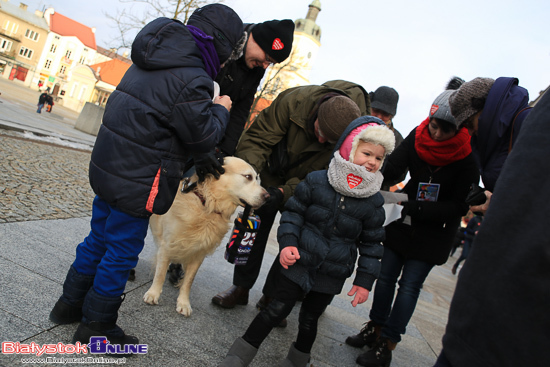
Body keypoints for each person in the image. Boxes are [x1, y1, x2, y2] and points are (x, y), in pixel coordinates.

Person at [48, 4, 244, 348]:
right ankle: (98, 324)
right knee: (121, 251)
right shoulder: (194, 78)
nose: (226, 62)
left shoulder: (151, 56)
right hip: (141, 177)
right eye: (227, 54)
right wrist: (220, 110)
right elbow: (202, 137)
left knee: (97, 238)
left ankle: (69, 305)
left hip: (110, 168)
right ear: (219, 46)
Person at [219, 116, 395, 367]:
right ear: (349, 148)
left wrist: (364, 281)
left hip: (331, 273)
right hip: (298, 261)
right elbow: (293, 213)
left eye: (379, 158)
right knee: (276, 309)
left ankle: (297, 360)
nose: (372, 162)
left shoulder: (373, 201)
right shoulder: (317, 180)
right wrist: (288, 242)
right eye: (367, 153)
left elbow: (373, 243)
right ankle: (239, 354)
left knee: (309, 320)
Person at [346, 78, 480, 367]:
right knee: (384, 279)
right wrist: (372, 165)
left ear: (460, 128)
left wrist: (416, 206)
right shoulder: (418, 136)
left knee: (408, 287)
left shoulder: (468, 158)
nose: (437, 133)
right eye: (434, 124)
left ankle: (388, 343)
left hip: (434, 233)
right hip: (402, 224)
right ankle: (375, 327)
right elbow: (394, 170)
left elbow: (459, 205)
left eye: (446, 129)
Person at [210, 80, 370, 311]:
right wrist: (252, 180)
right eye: (320, 132)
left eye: (329, 141)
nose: (322, 141)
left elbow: (328, 176)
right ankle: (241, 287)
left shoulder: (352, 140)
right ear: (316, 114)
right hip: (271, 169)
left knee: (298, 237)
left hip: (309, 185)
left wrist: (286, 192)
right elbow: (258, 139)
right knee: (254, 224)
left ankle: (273, 296)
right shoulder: (294, 101)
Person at [167, 18, 295, 285]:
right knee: (158, 190)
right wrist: (202, 143)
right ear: (252, 40)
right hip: (185, 127)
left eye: (271, 62)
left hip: (212, 132)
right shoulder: (223, 44)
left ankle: (177, 259)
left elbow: (239, 111)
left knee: (192, 200)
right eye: (265, 57)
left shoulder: (254, 67)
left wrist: (222, 153)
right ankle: (128, 256)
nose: (264, 65)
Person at [433, 88, 550, 367]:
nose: (473, 134)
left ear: (481, 114)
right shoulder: (519, 125)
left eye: (472, 125)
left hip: (509, 308)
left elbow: (528, 208)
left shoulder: (525, 122)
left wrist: (497, 204)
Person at [448, 77, 532, 215]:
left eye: (469, 123)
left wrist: (501, 204)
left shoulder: (527, 122)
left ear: (487, 109)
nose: (469, 132)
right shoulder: (486, 144)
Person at [368, 86, 406, 190]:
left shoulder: (398, 140)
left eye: (385, 114)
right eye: (375, 110)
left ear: (391, 116)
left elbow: (401, 174)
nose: (379, 116)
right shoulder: (355, 128)